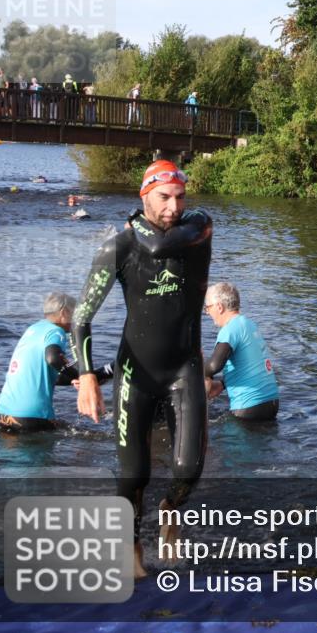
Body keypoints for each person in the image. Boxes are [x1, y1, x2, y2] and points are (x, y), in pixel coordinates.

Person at [73, 159, 212, 578]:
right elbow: (81, 318)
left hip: (184, 368)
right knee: (134, 474)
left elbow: (157, 246)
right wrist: (87, 376)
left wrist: (136, 222)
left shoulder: (199, 229)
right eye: (164, 197)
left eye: (180, 197)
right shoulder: (117, 248)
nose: (174, 206)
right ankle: (131, 544)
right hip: (136, 371)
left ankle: (170, 508)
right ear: (145, 195)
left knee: (189, 470)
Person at [0, 292, 113, 432]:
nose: (77, 320)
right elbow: (53, 358)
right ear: (64, 313)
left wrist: (72, 379)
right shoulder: (56, 331)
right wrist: (83, 378)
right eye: (75, 314)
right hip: (33, 415)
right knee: (89, 437)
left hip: (5, 413)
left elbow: (43, 375)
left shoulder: (33, 329)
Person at [203, 283, 279, 421]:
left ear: (219, 307)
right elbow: (251, 364)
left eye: (208, 307)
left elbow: (214, 365)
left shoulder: (230, 329)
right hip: (271, 402)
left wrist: (195, 371)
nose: (207, 313)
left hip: (249, 406)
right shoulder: (249, 324)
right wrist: (222, 384)